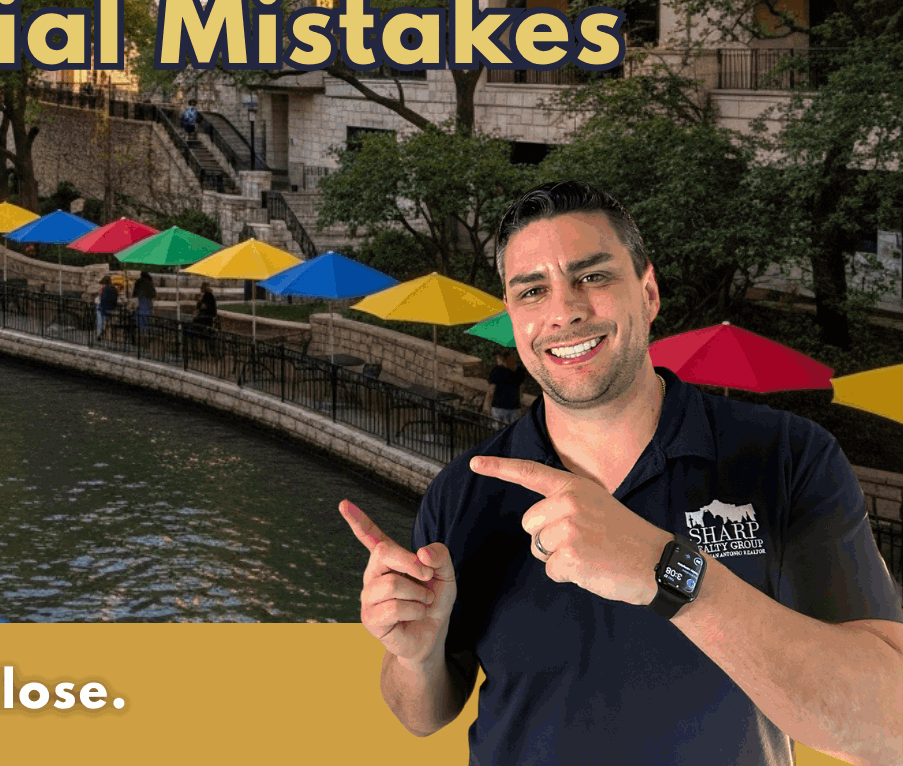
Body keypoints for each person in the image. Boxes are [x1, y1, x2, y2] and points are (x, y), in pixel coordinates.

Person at [339, 180, 903, 766]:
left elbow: (889, 725)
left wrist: (669, 572)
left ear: (649, 292)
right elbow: (421, 715)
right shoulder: (465, 491)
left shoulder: (787, 457)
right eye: (533, 291)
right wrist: (415, 657)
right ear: (513, 317)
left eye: (593, 276)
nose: (565, 310)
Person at [486, 348, 526, 424]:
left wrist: (487, 405)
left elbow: (491, 390)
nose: (497, 360)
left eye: (498, 358)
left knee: (498, 431)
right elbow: (521, 390)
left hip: (499, 407)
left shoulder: (496, 371)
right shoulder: (520, 371)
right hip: (514, 407)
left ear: (502, 359)